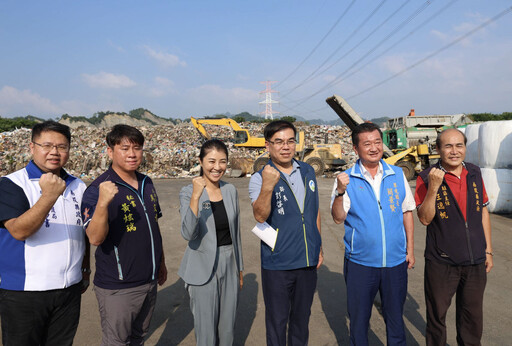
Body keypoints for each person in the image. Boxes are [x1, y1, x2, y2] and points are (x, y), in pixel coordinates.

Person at [0, 120, 89, 346]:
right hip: (25, 291)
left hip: (69, 290)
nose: (54, 152)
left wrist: (85, 269)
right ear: (32, 147)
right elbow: (19, 231)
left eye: (62, 146)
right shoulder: (12, 185)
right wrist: (48, 196)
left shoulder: (78, 186)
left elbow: (84, 234)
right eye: (47, 145)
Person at [81, 124, 167, 346]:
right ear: (110, 151)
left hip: (149, 280)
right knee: (117, 342)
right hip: (119, 286)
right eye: (125, 148)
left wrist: (161, 262)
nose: (132, 154)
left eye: (137, 148)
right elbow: (95, 238)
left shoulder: (147, 183)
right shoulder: (98, 189)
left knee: (139, 337)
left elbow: (153, 226)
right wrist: (103, 202)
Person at [330, 122, 415, 346]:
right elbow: (338, 218)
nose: (374, 147)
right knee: (359, 321)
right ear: (356, 149)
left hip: (395, 262)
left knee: (395, 319)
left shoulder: (396, 174)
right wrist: (339, 192)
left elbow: (407, 212)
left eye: (377, 142)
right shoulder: (346, 179)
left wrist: (411, 250)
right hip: (360, 263)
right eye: (367, 143)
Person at [415, 128, 493, 346]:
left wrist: (488, 250)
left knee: (472, 318)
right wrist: (433, 188)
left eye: (459, 145)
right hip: (442, 261)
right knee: (437, 317)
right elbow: (424, 219)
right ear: (438, 149)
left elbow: (483, 211)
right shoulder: (426, 177)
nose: (454, 151)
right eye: (448, 146)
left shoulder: (475, 173)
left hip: (475, 260)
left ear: (465, 148)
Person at [249, 120, 323, 346]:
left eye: (291, 141)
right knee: (277, 323)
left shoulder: (308, 170)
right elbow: (260, 216)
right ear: (267, 145)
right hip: (278, 265)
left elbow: (314, 211)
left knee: (301, 321)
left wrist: (318, 246)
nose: (286, 147)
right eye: (279, 142)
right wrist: (268, 186)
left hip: (307, 261)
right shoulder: (259, 178)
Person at [178, 139, 244, 346]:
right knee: (205, 331)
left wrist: (240, 269)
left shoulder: (230, 190)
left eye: (222, 162)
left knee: (227, 327)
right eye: (212, 161)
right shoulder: (188, 192)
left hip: (229, 262)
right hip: (202, 265)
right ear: (200, 161)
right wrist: (196, 197)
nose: (217, 167)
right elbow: (188, 233)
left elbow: (237, 232)